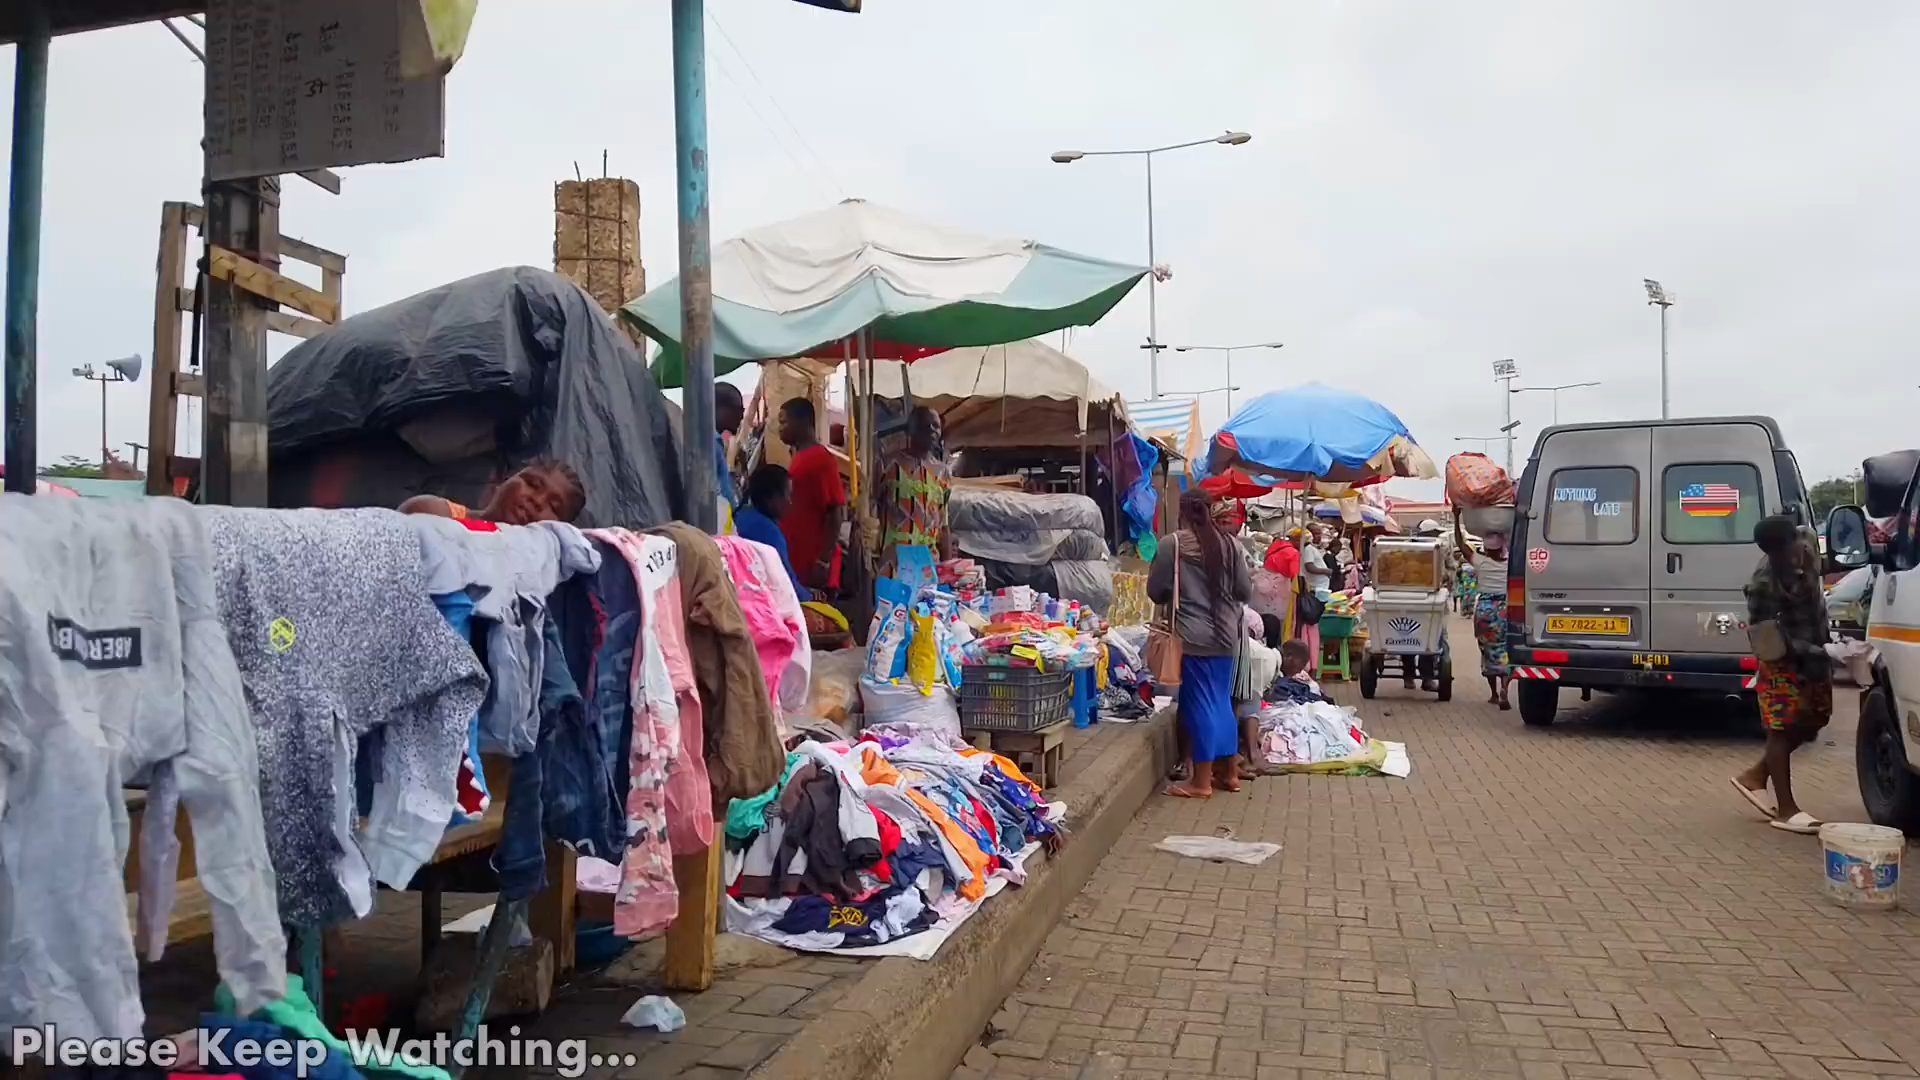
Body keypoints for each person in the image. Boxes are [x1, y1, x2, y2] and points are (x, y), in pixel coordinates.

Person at [1149, 489, 1253, 799]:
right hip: (1227, 636)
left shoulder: (1173, 544)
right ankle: (1230, 774)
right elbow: (1244, 591)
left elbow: (1156, 590)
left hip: (1193, 637)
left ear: (1181, 512)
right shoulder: (1231, 545)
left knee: (1199, 705)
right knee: (1221, 701)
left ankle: (1201, 782)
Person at [1732, 516, 1833, 834]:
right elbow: (1766, 639)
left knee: (1815, 719)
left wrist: (1831, 647)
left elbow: (1824, 572)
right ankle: (1787, 810)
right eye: (1777, 556)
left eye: (1790, 551)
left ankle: (1755, 776)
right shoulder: (1762, 585)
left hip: (1818, 650)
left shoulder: (1809, 542)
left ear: (1798, 541)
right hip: (1779, 659)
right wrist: (1815, 651)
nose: (1788, 561)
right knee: (1782, 726)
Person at [777, 397, 846, 595]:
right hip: (798, 563)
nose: (780, 429)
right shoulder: (800, 456)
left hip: (813, 566)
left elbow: (835, 511)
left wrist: (823, 561)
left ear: (803, 422)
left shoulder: (821, 459)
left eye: (784, 422)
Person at [877, 405, 955, 575]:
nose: (932, 430)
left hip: (927, 566)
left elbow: (944, 524)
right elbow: (870, 510)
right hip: (893, 565)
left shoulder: (942, 472)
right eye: (926, 425)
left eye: (936, 426)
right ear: (911, 429)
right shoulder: (887, 465)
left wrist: (947, 567)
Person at [398, 458, 585, 525]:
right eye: (532, 484)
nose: (537, 501)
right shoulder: (432, 513)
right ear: (504, 480)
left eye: (553, 507)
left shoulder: (533, 579)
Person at [733, 464, 812, 602]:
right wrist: (810, 597)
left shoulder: (741, 515)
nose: (790, 502)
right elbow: (786, 584)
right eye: (788, 495)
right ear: (772, 499)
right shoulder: (769, 533)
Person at [1455, 516, 1511, 708]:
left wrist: (1456, 517)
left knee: (1487, 651)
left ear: (1486, 548)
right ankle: (1505, 689)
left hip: (1485, 611)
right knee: (1505, 650)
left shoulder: (1480, 562)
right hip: (1505, 611)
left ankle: (1494, 694)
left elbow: (1461, 544)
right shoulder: (1510, 563)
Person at [714, 381, 745, 514]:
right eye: (739, 410)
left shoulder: (715, 442)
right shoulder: (709, 444)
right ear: (720, 408)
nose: (741, 416)